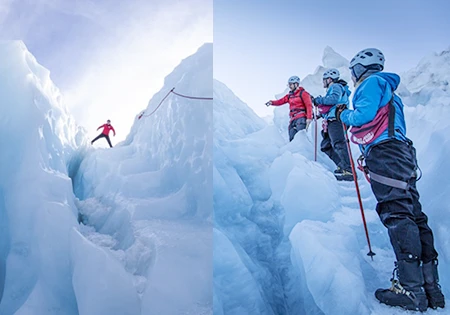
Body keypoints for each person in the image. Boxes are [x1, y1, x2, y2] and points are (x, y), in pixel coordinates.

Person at [336, 48, 445, 311]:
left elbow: (362, 116)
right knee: (413, 214)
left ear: (360, 68)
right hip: (402, 154)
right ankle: (431, 289)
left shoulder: (371, 83)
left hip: (385, 154)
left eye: (353, 71)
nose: (352, 76)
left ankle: (410, 289)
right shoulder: (391, 92)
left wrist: (343, 115)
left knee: (396, 213)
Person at [313, 68, 353, 181]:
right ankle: (342, 165)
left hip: (337, 120)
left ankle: (348, 170)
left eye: (324, 80)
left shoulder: (336, 86)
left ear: (329, 79)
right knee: (326, 146)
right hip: (331, 120)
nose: (323, 82)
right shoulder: (334, 88)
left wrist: (319, 100)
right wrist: (320, 115)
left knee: (339, 143)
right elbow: (331, 106)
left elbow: (334, 99)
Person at [266, 76, 313, 141]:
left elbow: (309, 105)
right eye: (289, 84)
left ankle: (303, 150)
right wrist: (272, 102)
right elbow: (280, 101)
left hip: (301, 118)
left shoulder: (303, 93)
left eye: (291, 84)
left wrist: (309, 118)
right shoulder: (289, 96)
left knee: (301, 139)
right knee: (292, 139)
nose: (289, 86)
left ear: (296, 84)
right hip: (292, 119)